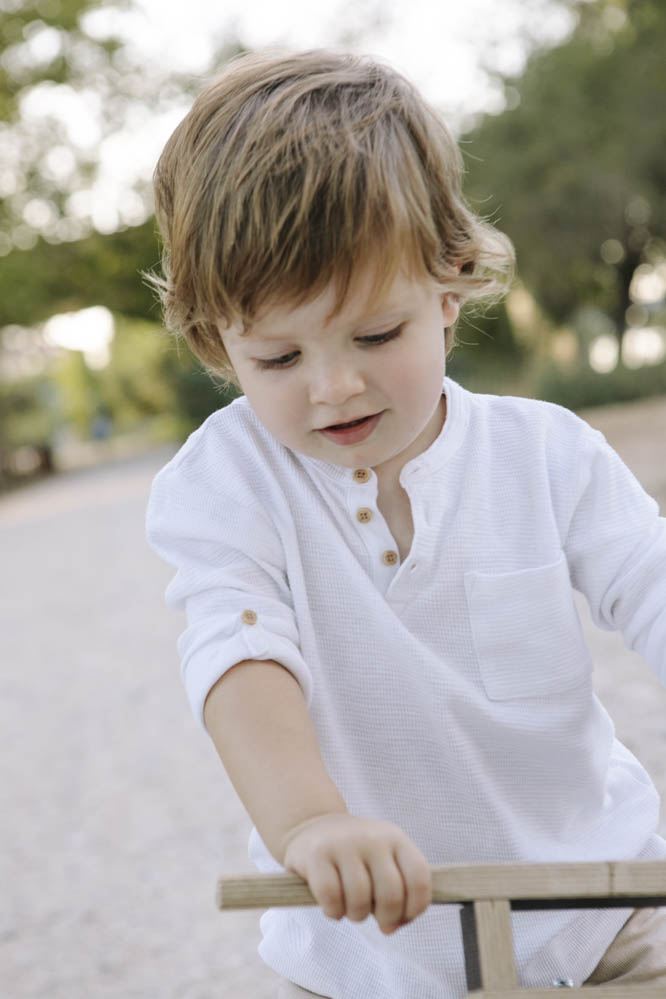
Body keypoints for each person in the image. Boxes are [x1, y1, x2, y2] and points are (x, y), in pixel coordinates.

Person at [145, 49, 666, 997]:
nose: (333, 385)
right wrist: (308, 822)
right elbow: (238, 651)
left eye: (376, 336)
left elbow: (652, 582)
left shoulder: (545, 454)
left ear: (451, 280)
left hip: (602, 907)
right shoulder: (224, 484)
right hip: (366, 949)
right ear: (216, 340)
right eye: (277, 356)